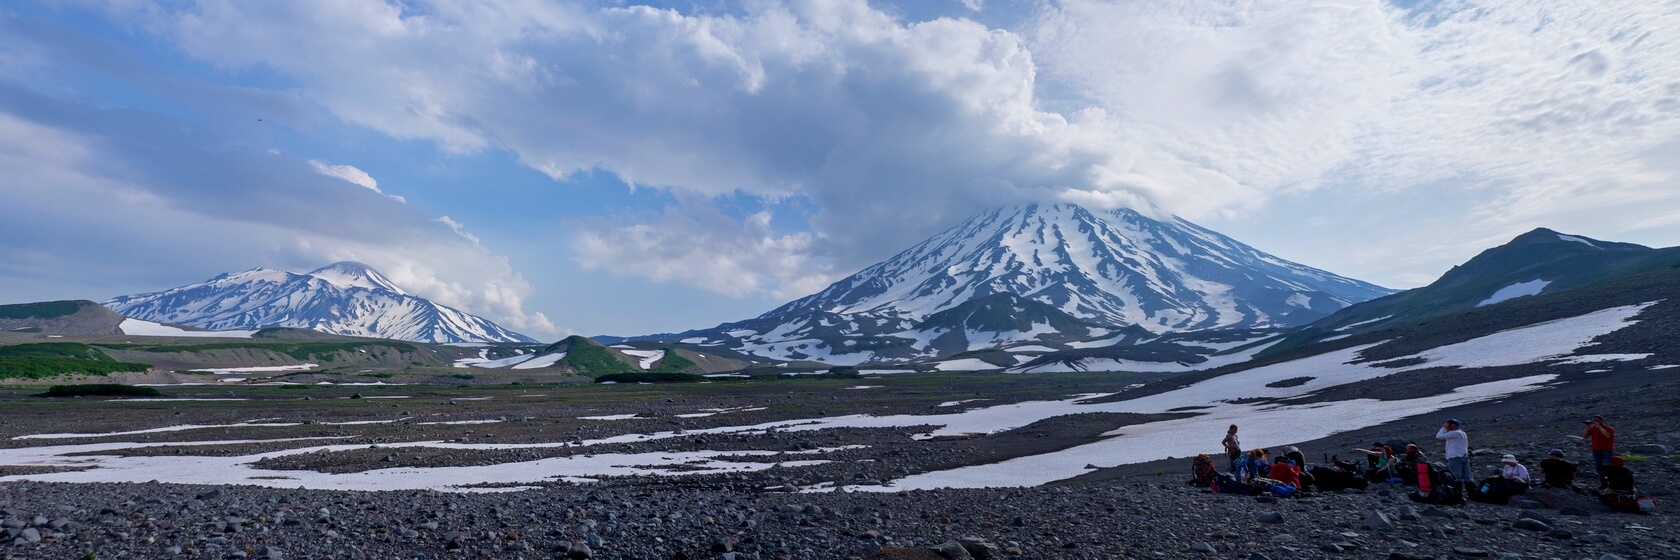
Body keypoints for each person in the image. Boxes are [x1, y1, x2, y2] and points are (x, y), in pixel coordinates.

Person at [1436, 419, 1470, 488]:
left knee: (1455, 476)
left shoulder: (1454, 433)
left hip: (1455, 457)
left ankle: (1457, 491)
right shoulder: (1462, 432)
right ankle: (1471, 490)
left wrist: (1444, 428)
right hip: (1463, 455)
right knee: (1467, 476)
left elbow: (1439, 436)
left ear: (1452, 425)